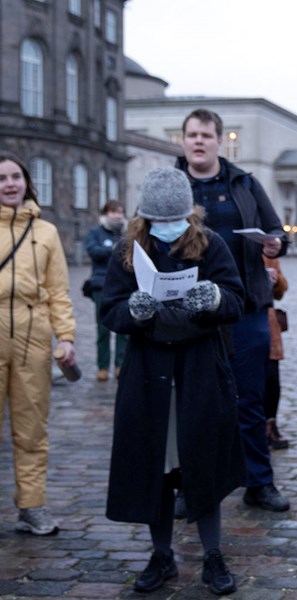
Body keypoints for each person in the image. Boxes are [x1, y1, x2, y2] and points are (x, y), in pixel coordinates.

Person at [101, 168, 243, 594]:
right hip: (149, 376)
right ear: (145, 218)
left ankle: (212, 555)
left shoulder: (210, 244)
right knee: (156, 470)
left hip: (198, 371)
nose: (166, 228)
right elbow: (110, 309)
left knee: (204, 464)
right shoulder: (129, 250)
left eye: (174, 219)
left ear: (189, 214)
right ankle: (161, 555)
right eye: (158, 221)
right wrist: (134, 310)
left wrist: (214, 298)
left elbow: (236, 299)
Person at [176, 108, 290, 513]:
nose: (199, 141)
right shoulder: (172, 184)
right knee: (193, 403)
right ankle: (192, 486)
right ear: (184, 140)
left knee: (249, 400)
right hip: (188, 312)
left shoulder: (244, 182)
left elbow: (276, 230)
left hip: (246, 307)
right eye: (192, 135)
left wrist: (275, 244)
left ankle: (258, 482)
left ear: (219, 140)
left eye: (206, 134)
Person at [0, 151, 76, 536]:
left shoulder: (45, 232)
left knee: (31, 428)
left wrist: (65, 336)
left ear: (26, 183)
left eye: (15, 176)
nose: (9, 184)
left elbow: (58, 291)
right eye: (1, 178)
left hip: (33, 336)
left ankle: (32, 506)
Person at [84, 200, 128, 382]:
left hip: (124, 285)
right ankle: (103, 366)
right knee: (103, 329)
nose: (117, 215)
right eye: (113, 212)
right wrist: (115, 248)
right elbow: (94, 251)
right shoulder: (95, 232)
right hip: (101, 285)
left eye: (119, 212)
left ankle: (121, 364)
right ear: (105, 213)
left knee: (124, 329)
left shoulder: (128, 233)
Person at [264, 254, 289, 450]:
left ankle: (270, 424)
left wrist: (275, 279)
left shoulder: (269, 256)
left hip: (268, 322)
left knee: (272, 379)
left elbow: (280, 291)